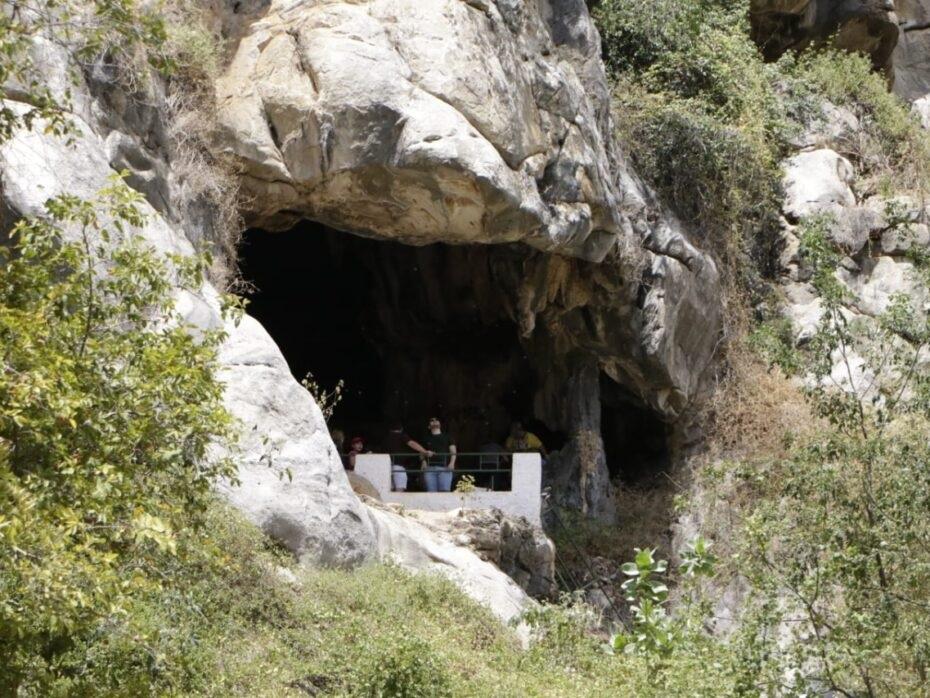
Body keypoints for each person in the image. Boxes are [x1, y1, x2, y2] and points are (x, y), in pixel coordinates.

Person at [383, 422, 431, 492]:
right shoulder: (401, 435)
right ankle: (397, 503)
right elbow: (411, 443)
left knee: (389, 489)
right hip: (398, 466)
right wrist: (424, 451)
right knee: (399, 489)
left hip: (386, 467)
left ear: (390, 430)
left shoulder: (386, 438)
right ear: (401, 429)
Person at [422, 416, 456, 492]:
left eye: (437, 420)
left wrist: (452, 463)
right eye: (432, 420)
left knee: (444, 492)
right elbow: (421, 452)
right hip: (429, 468)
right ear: (428, 426)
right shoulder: (426, 438)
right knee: (431, 493)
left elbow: (453, 451)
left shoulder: (448, 436)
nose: (434, 421)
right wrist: (423, 461)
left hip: (445, 468)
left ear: (440, 424)